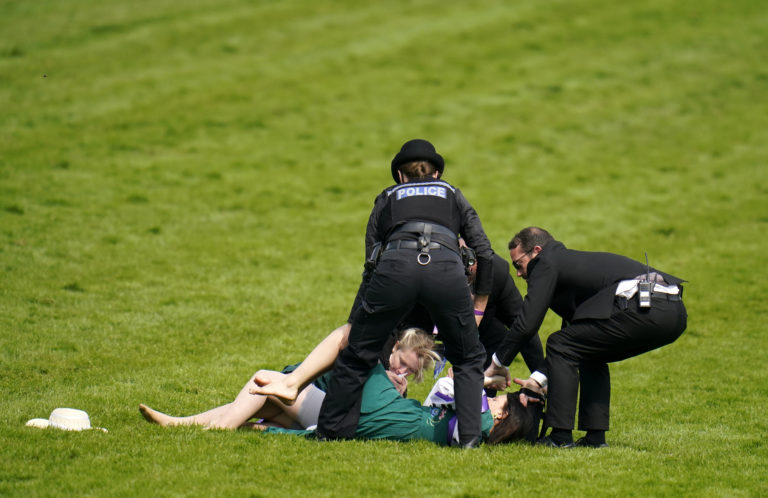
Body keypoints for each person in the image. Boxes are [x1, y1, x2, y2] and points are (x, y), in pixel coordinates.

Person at [317, 139, 494, 448]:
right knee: (467, 358)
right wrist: (478, 304)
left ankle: (330, 433)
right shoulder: (452, 193)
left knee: (357, 354)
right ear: (436, 174)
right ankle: (469, 440)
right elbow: (485, 253)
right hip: (445, 271)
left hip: (395, 268)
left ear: (400, 175)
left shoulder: (388, 196)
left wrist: (355, 323)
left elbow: (371, 262)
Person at [485, 227, 687, 448]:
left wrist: (498, 363)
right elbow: (576, 335)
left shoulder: (547, 262)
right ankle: (595, 438)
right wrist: (538, 380)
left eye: (518, 264)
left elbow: (526, 324)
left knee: (559, 343)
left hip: (648, 305)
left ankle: (560, 437)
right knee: (588, 351)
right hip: (672, 311)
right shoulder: (568, 267)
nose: (518, 273)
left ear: (537, 251)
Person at [139, 327, 438, 431]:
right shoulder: (372, 355)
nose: (402, 372)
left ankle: (216, 429)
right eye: (402, 363)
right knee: (265, 404)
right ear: (395, 347)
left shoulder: (386, 378)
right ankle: (180, 423)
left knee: (262, 383)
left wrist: (394, 390)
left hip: (330, 415)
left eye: (409, 372)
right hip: (322, 407)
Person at [258, 365, 538, 446]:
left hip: (390, 415)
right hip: (398, 412)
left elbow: (464, 382)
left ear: (501, 416)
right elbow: (446, 387)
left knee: (358, 351)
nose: (490, 399)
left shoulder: (482, 425)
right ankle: (269, 415)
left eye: (495, 400)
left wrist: (486, 378)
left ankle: (294, 377)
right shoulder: (473, 420)